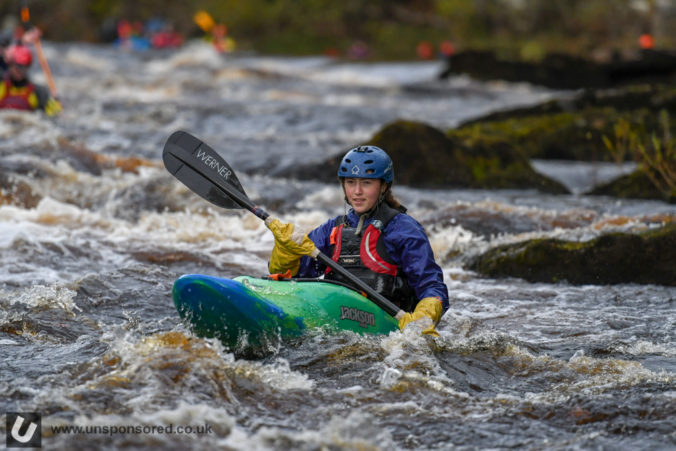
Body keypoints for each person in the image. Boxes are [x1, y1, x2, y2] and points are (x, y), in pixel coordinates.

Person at [265, 145, 449, 336]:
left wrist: (424, 317)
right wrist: (285, 251)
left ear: (384, 186)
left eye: (366, 183)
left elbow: (431, 285)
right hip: (337, 320)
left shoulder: (404, 229)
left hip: (387, 326)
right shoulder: (332, 229)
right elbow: (294, 278)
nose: (357, 191)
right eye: (351, 182)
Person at [0, 44, 61, 116]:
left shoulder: (38, 92)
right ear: (9, 65)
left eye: (24, 67)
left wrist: (56, 101)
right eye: (17, 66)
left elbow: (55, 113)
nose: (20, 71)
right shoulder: (2, 86)